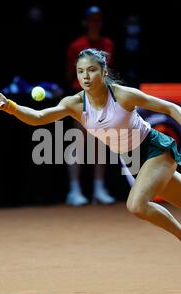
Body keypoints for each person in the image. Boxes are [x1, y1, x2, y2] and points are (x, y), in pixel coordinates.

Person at [0, 48, 181, 279]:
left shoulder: (122, 95)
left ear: (104, 72)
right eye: (80, 71)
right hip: (134, 160)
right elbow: (37, 117)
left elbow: (171, 107)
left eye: (92, 70)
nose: (86, 76)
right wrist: (10, 106)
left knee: (136, 205)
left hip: (156, 149)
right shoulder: (74, 103)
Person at [64, 5, 116, 206]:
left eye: (98, 20)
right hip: (81, 98)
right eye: (92, 20)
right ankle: (74, 191)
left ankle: (99, 189)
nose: (95, 23)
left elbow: (106, 73)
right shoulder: (76, 46)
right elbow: (69, 74)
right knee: (78, 142)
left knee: (100, 143)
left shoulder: (108, 44)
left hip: (101, 98)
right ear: (86, 23)